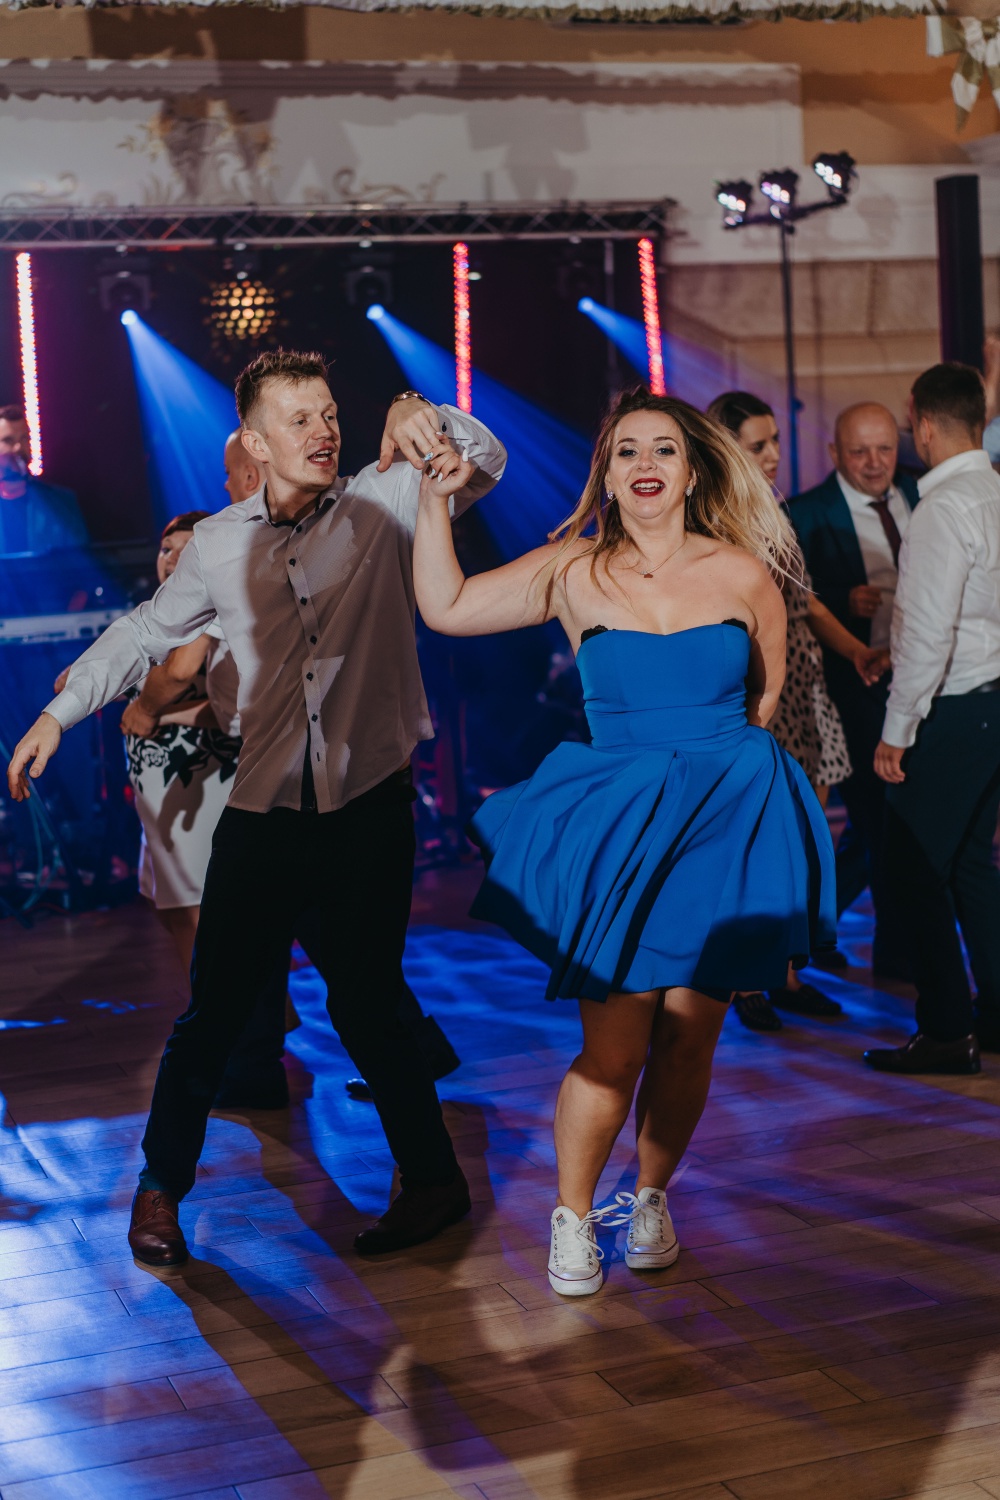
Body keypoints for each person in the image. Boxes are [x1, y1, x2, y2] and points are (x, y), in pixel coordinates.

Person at [7, 351, 507, 1268]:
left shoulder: (384, 501)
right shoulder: (217, 544)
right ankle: (160, 1190)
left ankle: (434, 1180)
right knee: (214, 1012)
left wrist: (419, 410)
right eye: (300, 418)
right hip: (266, 807)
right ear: (255, 441)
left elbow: (484, 462)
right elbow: (145, 632)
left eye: (331, 413)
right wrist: (57, 714)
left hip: (369, 806)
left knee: (367, 1004)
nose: (324, 430)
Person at [411, 386, 835, 1297]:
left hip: (721, 825)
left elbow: (764, 700)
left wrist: (717, 785)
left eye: (664, 450)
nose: (646, 464)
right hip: (625, 827)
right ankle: (571, 1216)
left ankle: (648, 1199)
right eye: (628, 451)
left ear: (691, 475)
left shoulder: (743, 573)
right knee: (614, 1050)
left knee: (689, 1043)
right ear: (607, 475)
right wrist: (433, 499)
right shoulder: (573, 569)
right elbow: (445, 606)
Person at [708, 393, 887, 1031]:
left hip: (805, 687)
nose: (774, 455)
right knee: (755, 842)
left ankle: (784, 972)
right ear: (727, 447)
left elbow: (805, 604)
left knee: (802, 842)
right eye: (758, 445)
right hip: (755, 692)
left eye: (775, 441)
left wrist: (857, 651)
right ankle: (743, 979)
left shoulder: (773, 511)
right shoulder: (713, 519)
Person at [865, 362, 1000, 1077]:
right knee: (972, 866)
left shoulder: (943, 507)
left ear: (919, 423)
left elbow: (927, 634)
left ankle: (948, 1032)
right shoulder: (994, 491)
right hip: (992, 705)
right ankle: (996, 1016)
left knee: (910, 872)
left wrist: (897, 730)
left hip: (952, 707)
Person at [789, 403, 920, 979]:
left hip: (920, 678)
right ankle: (894, 951)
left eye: (884, 449)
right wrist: (844, 600)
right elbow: (791, 598)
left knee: (887, 824)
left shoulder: (920, 494)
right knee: (880, 818)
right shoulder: (805, 513)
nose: (874, 463)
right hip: (854, 682)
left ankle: (809, 928)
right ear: (835, 454)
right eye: (859, 451)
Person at [0, 404, 88, 554]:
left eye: (24, 438)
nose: (18, 447)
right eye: (8, 440)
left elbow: (79, 560)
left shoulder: (61, 502)